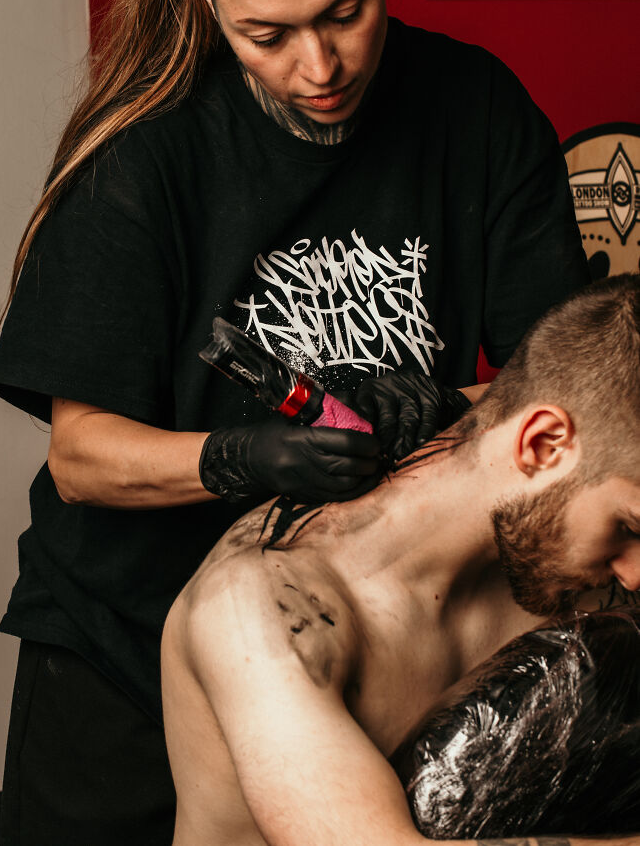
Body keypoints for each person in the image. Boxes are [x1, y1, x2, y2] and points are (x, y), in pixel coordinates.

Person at [0, 0, 589, 844]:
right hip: (120, 643)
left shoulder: (474, 110)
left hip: (342, 633)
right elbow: (84, 458)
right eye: (267, 36)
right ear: (210, 13)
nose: (320, 66)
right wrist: (240, 455)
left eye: (346, 11)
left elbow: (561, 381)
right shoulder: (147, 158)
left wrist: (438, 408)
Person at [162, 274, 640, 846]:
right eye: (628, 528)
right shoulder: (263, 613)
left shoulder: (561, 573)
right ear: (542, 445)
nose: (634, 573)